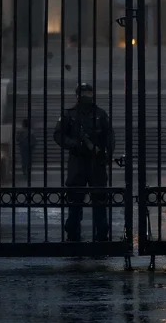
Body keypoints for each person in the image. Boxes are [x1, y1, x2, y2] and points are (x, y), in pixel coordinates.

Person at [53, 82, 114, 242]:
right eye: (84, 93)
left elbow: (109, 136)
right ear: (78, 95)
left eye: (89, 93)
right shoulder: (69, 114)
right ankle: (72, 234)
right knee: (75, 200)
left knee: (99, 200)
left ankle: (101, 235)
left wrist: (106, 153)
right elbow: (58, 135)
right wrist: (75, 144)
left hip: (96, 162)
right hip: (77, 161)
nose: (87, 96)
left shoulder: (100, 114)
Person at [16, 118, 35, 182]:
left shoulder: (20, 131)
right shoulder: (31, 131)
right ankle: (28, 172)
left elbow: (17, 139)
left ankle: (24, 172)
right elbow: (34, 140)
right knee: (29, 160)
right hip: (29, 147)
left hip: (23, 147)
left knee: (24, 160)